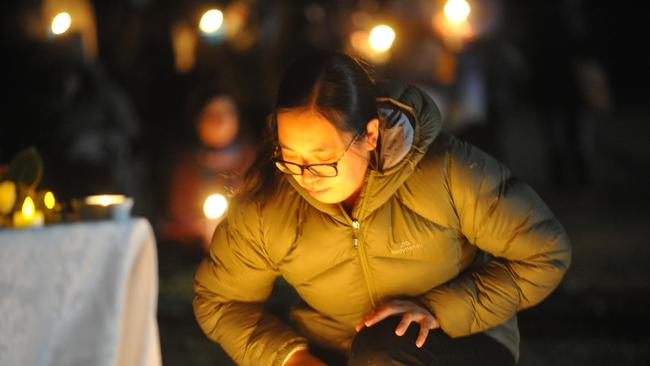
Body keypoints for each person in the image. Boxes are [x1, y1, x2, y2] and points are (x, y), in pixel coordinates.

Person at [193, 51, 571, 366]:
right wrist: (289, 358)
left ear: (370, 135)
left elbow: (545, 251)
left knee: (380, 352)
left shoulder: (444, 171)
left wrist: (442, 309)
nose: (306, 175)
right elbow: (219, 301)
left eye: (323, 159)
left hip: (455, 339)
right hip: (339, 349)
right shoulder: (270, 206)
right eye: (291, 157)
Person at [161, 88, 255, 250]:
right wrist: (202, 227)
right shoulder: (186, 169)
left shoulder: (253, 162)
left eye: (227, 113)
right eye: (211, 114)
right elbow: (175, 220)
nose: (220, 121)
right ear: (197, 121)